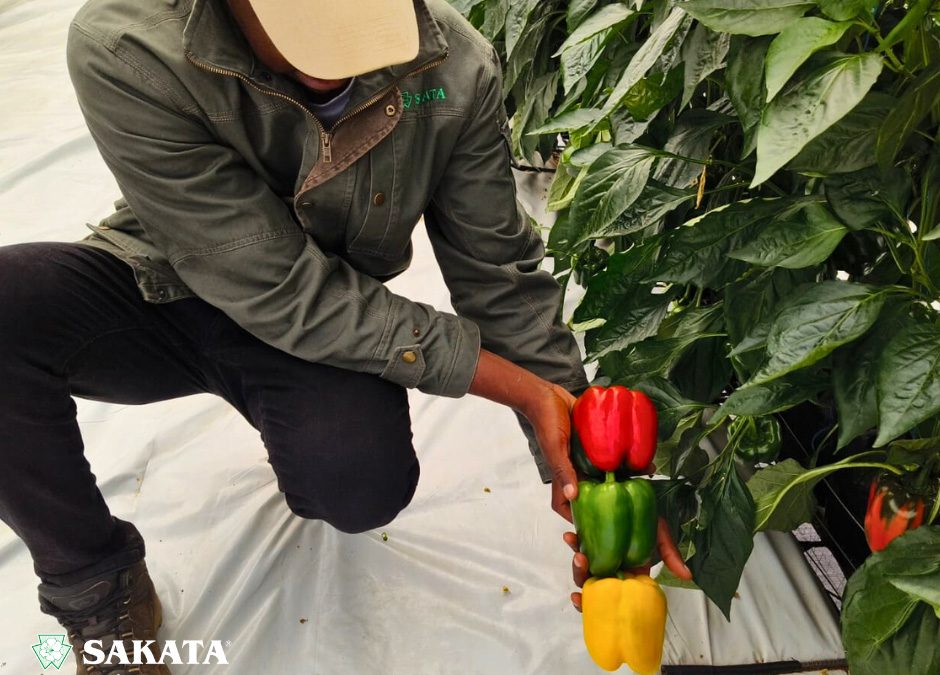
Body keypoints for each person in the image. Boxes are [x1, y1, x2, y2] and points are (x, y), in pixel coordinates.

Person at [0, 0, 691, 672]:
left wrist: (598, 475)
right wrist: (518, 387)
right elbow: (276, 286)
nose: (337, 61)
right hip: (165, 288)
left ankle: (282, 408)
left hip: (328, 320)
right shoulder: (129, 44)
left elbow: (499, 277)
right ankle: (96, 581)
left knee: (357, 479)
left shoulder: (451, 70)